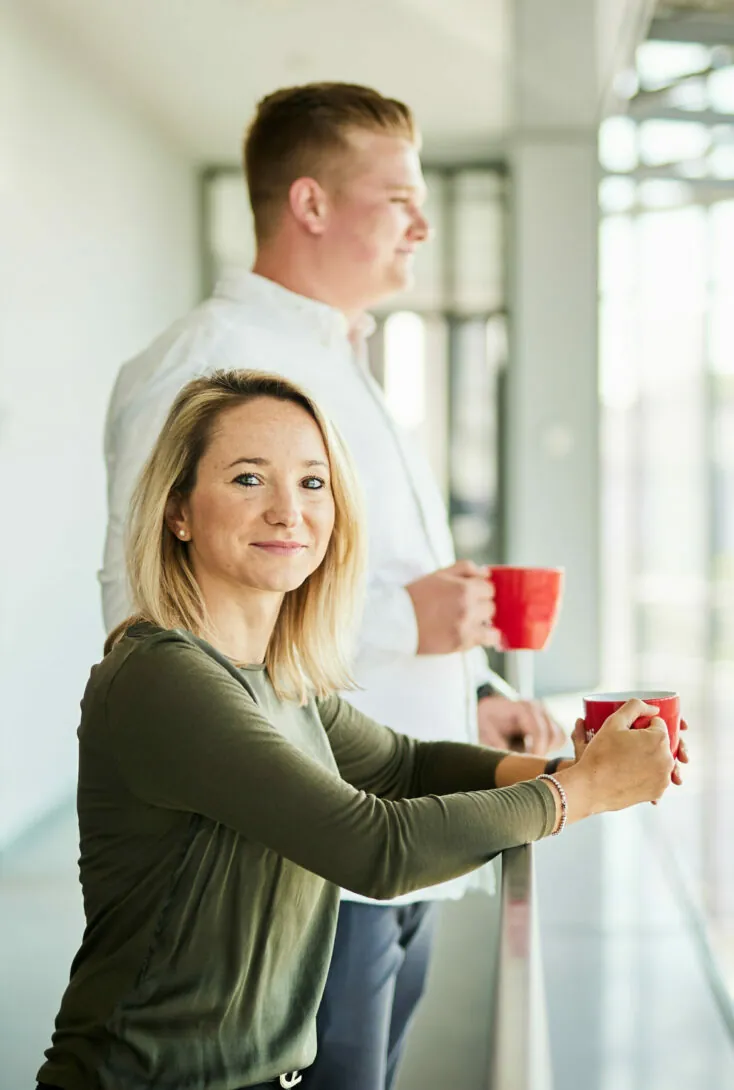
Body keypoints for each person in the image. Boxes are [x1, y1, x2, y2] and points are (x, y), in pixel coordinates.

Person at [100, 83, 564, 1090]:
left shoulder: (341, 360)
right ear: (310, 204)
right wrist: (406, 621)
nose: (422, 222)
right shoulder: (209, 363)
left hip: (390, 838)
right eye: (397, 196)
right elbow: (156, 608)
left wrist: (473, 696)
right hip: (302, 860)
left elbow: (367, 580)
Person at [39, 371, 685, 1090]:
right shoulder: (164, 677)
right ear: (178, 511)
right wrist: (582, 793)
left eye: (313, 483)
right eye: (249, 478)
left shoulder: (278, 676)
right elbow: (375, 847)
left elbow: (402, 767)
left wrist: (574, 768)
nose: (289, 511)